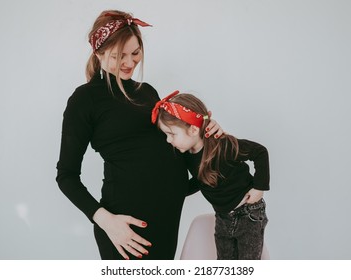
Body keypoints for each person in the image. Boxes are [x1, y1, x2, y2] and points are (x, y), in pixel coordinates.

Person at [55, 10, 222, 260]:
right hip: (126, 228)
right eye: (119, 55)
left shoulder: (148, 92)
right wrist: (106, 222)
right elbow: (66, 176)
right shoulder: (84, 100)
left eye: (135, 53)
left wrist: (207, 133)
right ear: (99, 53)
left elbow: (178, 146)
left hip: (167, 217)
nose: (130, 62)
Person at [152, 91, 270, 260]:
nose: (168, 140)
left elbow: (260, 152)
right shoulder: (187, 155)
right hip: (223, 218)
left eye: (172, 134)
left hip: (248, 213)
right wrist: (178, 191)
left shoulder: (223, 146)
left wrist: (259, 188)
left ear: (193, 129)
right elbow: (201, 181)